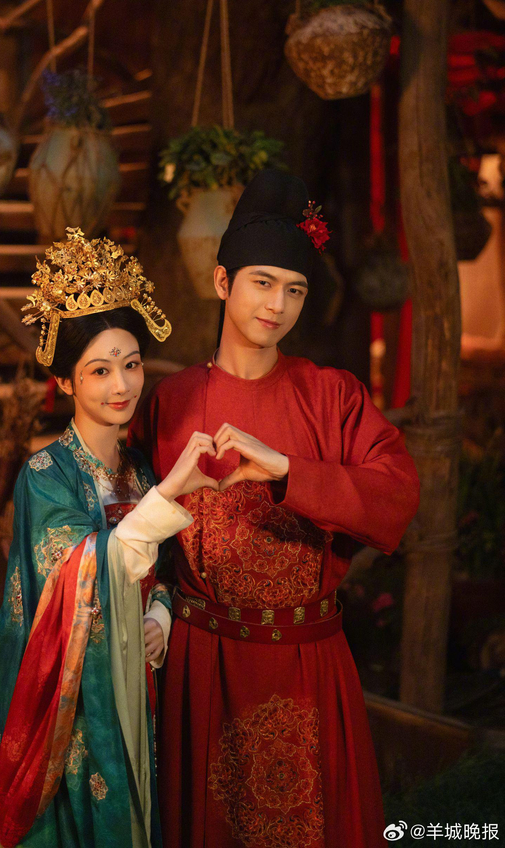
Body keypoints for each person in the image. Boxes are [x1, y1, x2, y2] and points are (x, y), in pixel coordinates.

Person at [129, 170, 420, 848]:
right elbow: (132, 529)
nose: (278, 304)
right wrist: (156, 610)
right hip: (201, 662)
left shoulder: (332, 395)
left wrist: (290, 469)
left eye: (295, 290)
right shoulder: (171, 402)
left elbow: (398, 493)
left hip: (307, 662)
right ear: (222, 281)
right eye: (262, 282)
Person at [0, 227, 215, 848]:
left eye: (132, 365)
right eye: (100, 371)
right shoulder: (45, 476)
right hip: (76, 705)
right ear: (65, 382)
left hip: (139, 686)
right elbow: (75, 575)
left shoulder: (138, 470)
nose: (122, 386)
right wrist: (172, 493)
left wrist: (160, 617)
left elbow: (163, 570)